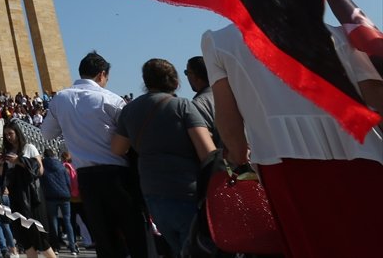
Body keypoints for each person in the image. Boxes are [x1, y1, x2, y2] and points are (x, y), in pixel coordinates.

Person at [202, 23, 383, 257]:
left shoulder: (219, 41)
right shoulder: (340, 33)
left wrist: (238, 156)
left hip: (286, 170)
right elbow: (377, 100)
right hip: (364, 158)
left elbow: (230, 127)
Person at [41, 51, 147, 258]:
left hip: (87, 179)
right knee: (134, 234)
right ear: (101, 75)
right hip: (118, 175)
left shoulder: (60, 99)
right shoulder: (111, 99)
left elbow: (47, 133)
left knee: (104, 239)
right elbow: (130, 137)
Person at [111, 59, 215, 257]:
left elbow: (117, 148)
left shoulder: (130, 110)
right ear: (175, 82)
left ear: (146, 82)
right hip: (187, 190)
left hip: (153, 192)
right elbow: (207, 152)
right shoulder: (182, 106)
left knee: (177, 250)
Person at [1, 123, 56, 258]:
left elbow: (40, 170)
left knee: (39, 237)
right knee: (25, 239)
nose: (8, 137)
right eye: (6, 134)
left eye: (11, 134)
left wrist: (19, 161)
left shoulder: (29, 148)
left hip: (32, 197)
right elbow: (4, 176)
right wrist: (2, 163)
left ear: (17, 133)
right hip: (17, 197)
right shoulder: (8, 152)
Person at [40, 147, 77, 255]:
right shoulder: (61, 166)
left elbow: (42, 183)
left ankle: (55, 247)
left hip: (51, 197)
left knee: (53, 221)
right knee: (68, 221)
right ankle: (73, 246)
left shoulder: (43, 166)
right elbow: (67, 182)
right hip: (65, 196)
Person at [183, 56, 218, 144]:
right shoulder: (231, 95)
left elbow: (203, 140)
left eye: (187, 73)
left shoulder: (197, 105)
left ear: (195, 76)